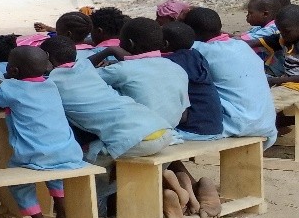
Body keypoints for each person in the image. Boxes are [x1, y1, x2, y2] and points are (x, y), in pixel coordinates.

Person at [0, 46, 85, 218]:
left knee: (19, 183)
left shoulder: (12, 90)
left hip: (33, 155)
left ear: (13, 71)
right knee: (56, 177)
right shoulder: (50, 84)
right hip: (68, 152)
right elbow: (19, 87)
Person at [43, 37, 174, 162]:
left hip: (138, 141)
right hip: (161, 129)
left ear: (47, 56)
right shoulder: (86, 68)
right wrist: (108, 51)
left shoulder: (52, 83)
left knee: (78, 157)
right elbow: (87, 62)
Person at [185, 6, 277, 147]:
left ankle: (179, 168)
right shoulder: (241, 46)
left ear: (190, 32)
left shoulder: (200, 50)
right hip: (265, 123)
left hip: (236, 124)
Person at [93, 18, 190, 127]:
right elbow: (183, 117)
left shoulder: (122, 69)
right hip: (170, 129)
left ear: (130, 44)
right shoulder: (177, 68)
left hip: (140, 132)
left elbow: (79, 77)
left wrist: (109, 51)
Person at [160, 22, 226, 140]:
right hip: (214, 127)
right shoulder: (196, 55)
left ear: (165, 44)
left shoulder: (170, 63)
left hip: (193, 130)